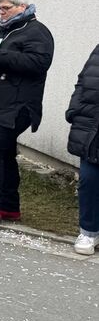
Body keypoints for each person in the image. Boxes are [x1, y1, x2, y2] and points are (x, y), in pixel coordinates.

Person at [0, 0, 54, 229]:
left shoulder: (37, 31)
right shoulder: (9, 30)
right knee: (4, 154)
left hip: (18, 106)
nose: (1, 13)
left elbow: (39, 63)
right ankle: (10, 206)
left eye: (5, 8)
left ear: (21, 7)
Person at [66, 43, 99, 255]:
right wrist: (74, 109)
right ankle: (88, 232)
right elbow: (83, 80)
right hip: (93, 127)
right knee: (89, 181)